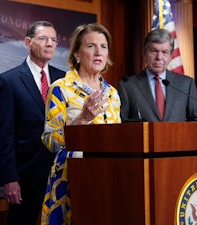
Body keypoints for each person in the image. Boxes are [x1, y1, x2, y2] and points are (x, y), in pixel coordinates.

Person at [41, 23, 121, 225]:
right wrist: (82, 119)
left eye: (103, 46)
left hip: (108, 179)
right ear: (77, 53)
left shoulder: (112, 94)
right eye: (91, 46)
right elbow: (49, 141)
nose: (98, 52)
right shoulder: (60, 89)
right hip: (71, 181)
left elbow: (120, 139)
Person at [0, 21, 65, 225]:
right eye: (43, 38)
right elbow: (5, 135)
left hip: (61, 172)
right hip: (26, 176)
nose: (50, 44)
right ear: (28, 42)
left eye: (53, 40)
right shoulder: (9, 80)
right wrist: (9, 178)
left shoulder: (64, 79)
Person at [117, 28, 197, 122]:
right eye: (153, 51)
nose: (159, 57)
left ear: (171, 56)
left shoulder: (186, 84)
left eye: (164, 52)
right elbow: (123, 124)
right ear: (145, 53)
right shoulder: (128, 86)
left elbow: (196, 122)